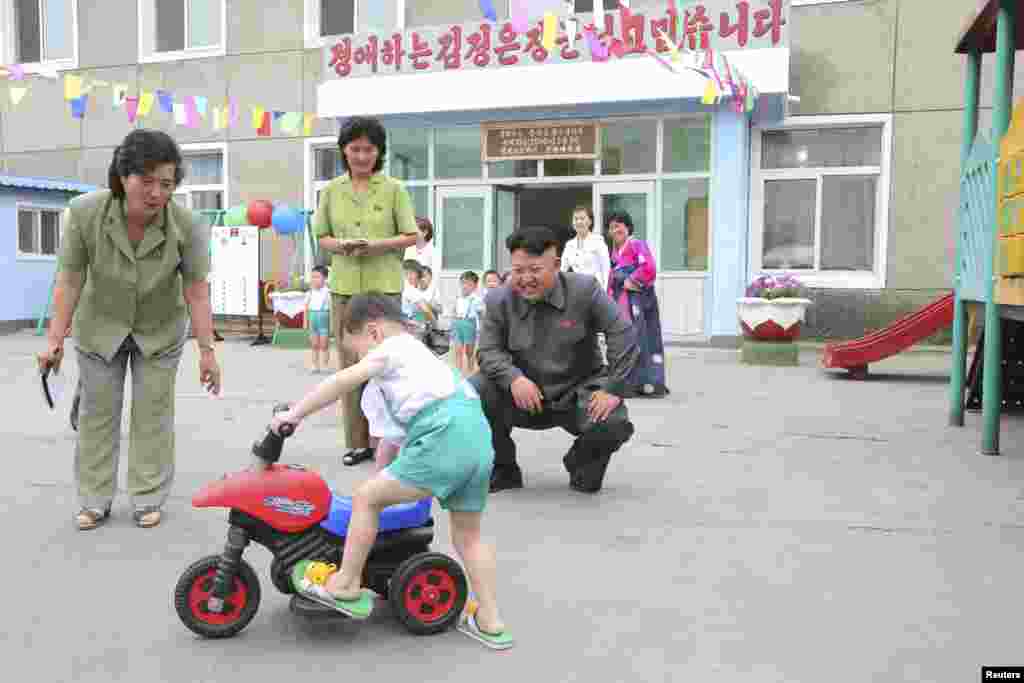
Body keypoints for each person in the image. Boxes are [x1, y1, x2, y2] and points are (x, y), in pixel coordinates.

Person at [271, 293, 512, 649]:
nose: (362, 360)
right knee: (468, 537)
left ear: (373, 332)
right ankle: (490, 621)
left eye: (358, 351)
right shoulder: (422, 361)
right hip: (477, 440)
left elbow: (342, 382)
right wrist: (384, 481)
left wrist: (294, 414)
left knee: (365, 499)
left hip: (443, 434)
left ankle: (346, 583)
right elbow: (393, 441)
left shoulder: (392, 348)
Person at [37, 129, 221, 530]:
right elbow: (69, 280)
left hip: (159, 329)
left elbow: (196, 290)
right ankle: (93, 499)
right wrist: (54, 340)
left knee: (153, 415)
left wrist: (207, 351)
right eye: (147, 180)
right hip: (99, 327)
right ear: (124, 177)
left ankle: (148, 496)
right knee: (97, 415)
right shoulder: (85, 213)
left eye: (167, 184)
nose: (156, 192)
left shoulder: (187, 225)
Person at [472, 226, 639, 494]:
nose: (526, 278)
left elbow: (622, 331)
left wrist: (613, 387)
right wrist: (513, 378)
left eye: (535, 270)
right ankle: (502, 468)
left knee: (613, 422)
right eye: (518, 270)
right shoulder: (499, 299)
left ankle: (582, 462)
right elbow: (488, 351)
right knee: (475, 391)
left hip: (578, 394)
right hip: (524, 395)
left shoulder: (584, 290)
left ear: (556, 264)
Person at [313, 116, 419, 467]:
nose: (361, 155)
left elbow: (410, 235)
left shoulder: (394, 189)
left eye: (369, 149)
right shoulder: (330, 191)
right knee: (349, 367)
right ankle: (357, 442)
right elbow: (322, 236)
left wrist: (377, 245)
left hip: (384, 290)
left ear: (379, 152)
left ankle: (391, 440)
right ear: (344, 151)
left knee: (389, 366)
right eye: (354, 148)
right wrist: (341, 245)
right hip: (344, 288)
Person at [607, 210, 670, 398]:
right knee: (625, 339)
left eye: (619, 225)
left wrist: (631, 280)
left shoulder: (636, 244)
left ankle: (649, 382)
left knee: (643, 338)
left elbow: (649, 268)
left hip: (638, 300)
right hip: (622, 299)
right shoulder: (615, 251)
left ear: (628, 227)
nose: (615, 230)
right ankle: (630, 382)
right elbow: (612, 276)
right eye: (611, 227)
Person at [561, 205, 612, 366]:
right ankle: (581, 364)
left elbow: (606, 268)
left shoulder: (598, 241)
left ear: (590, 221)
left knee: (596, 330)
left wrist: (604, 292)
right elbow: (562, 269)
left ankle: (600, 364)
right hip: (576, 292)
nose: (579, 221)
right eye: (576, 219)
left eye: (582, 218)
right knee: (578, 329)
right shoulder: (569, 245)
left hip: (595, 291)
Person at [452, 271, 482, 376]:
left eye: (469, 284)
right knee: (457, 350)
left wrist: (482, 328)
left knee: (469, 351)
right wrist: (453, 319)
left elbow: (481, 314)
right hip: (457, 324)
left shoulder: (476, 299)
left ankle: (470, 370)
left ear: (475, 286)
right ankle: (458, 373)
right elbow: (454, 310)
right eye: (463, 283)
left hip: (470, 324)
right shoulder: (458, 297)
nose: (465, 286)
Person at [404, 217, 440, 303]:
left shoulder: (434, 252)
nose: (412, 234)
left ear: (425, 232)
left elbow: (435, 277)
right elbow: (405, 274)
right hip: (409, 297)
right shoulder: (408, 250)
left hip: (428, 297)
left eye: (415, 231)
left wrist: (426, 297)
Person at [305, 265, 331, 373]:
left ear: (325, 279)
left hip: (323, 319)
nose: (314, 279)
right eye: (313, 277)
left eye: (317, 277)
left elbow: (331, 307)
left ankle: (325, 364)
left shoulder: (328, 292)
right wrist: (305, 322)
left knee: (324, 344)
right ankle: (314, 365)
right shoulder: (310, 292)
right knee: (314, 344)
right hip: (313, 319)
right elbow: (306, 307)